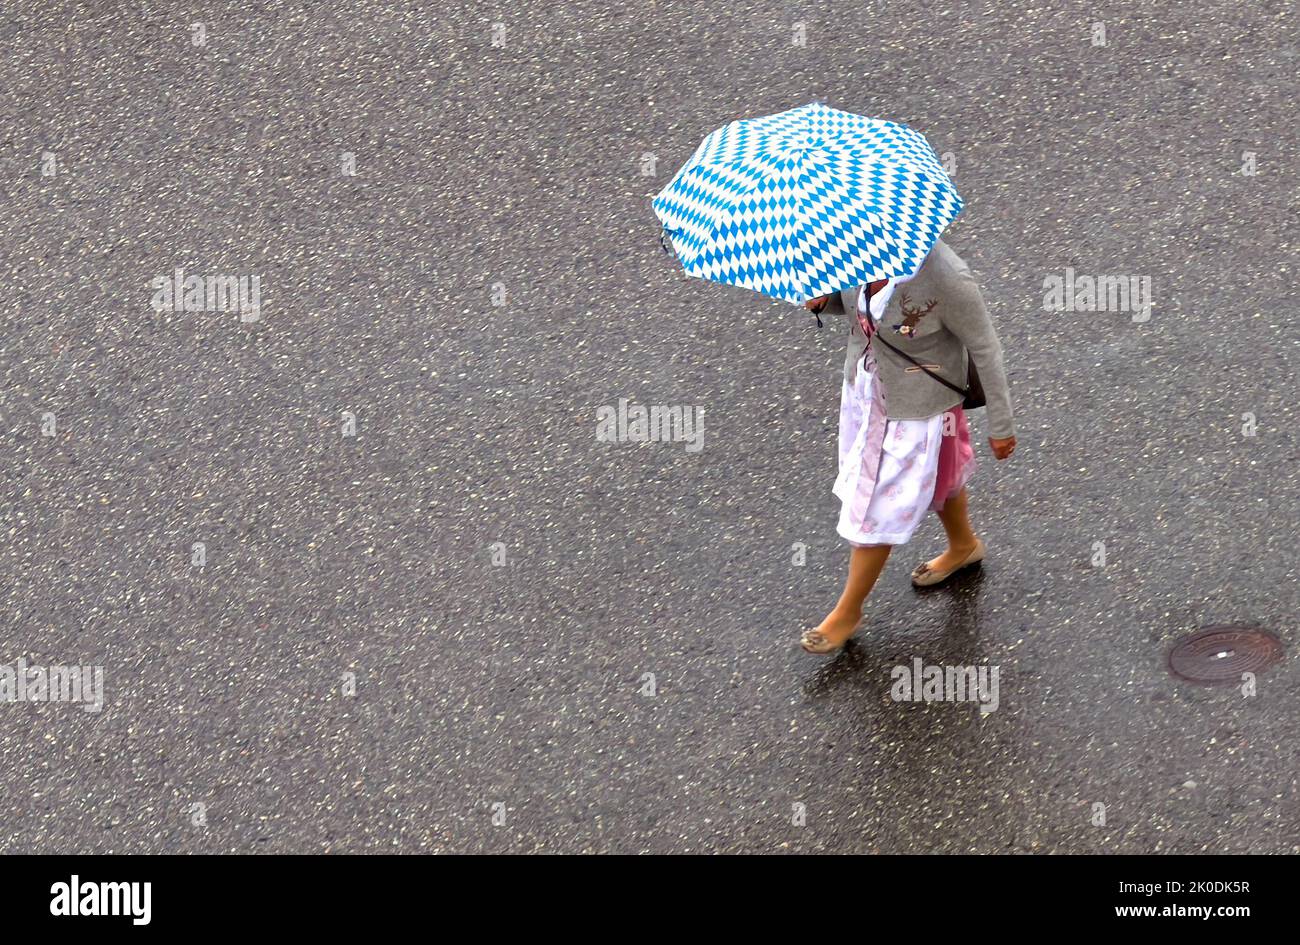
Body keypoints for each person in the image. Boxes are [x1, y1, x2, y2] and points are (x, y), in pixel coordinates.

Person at [799, 240, 1016, 654]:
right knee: (944, 475)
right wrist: (825, 302)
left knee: (876, 504)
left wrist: (1001, 425)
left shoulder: (947, 277)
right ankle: (964, 546)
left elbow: (986, 347)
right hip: (870, 394)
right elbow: (854, 307)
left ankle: (847, 612)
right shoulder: (851, 249)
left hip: (917, 412)